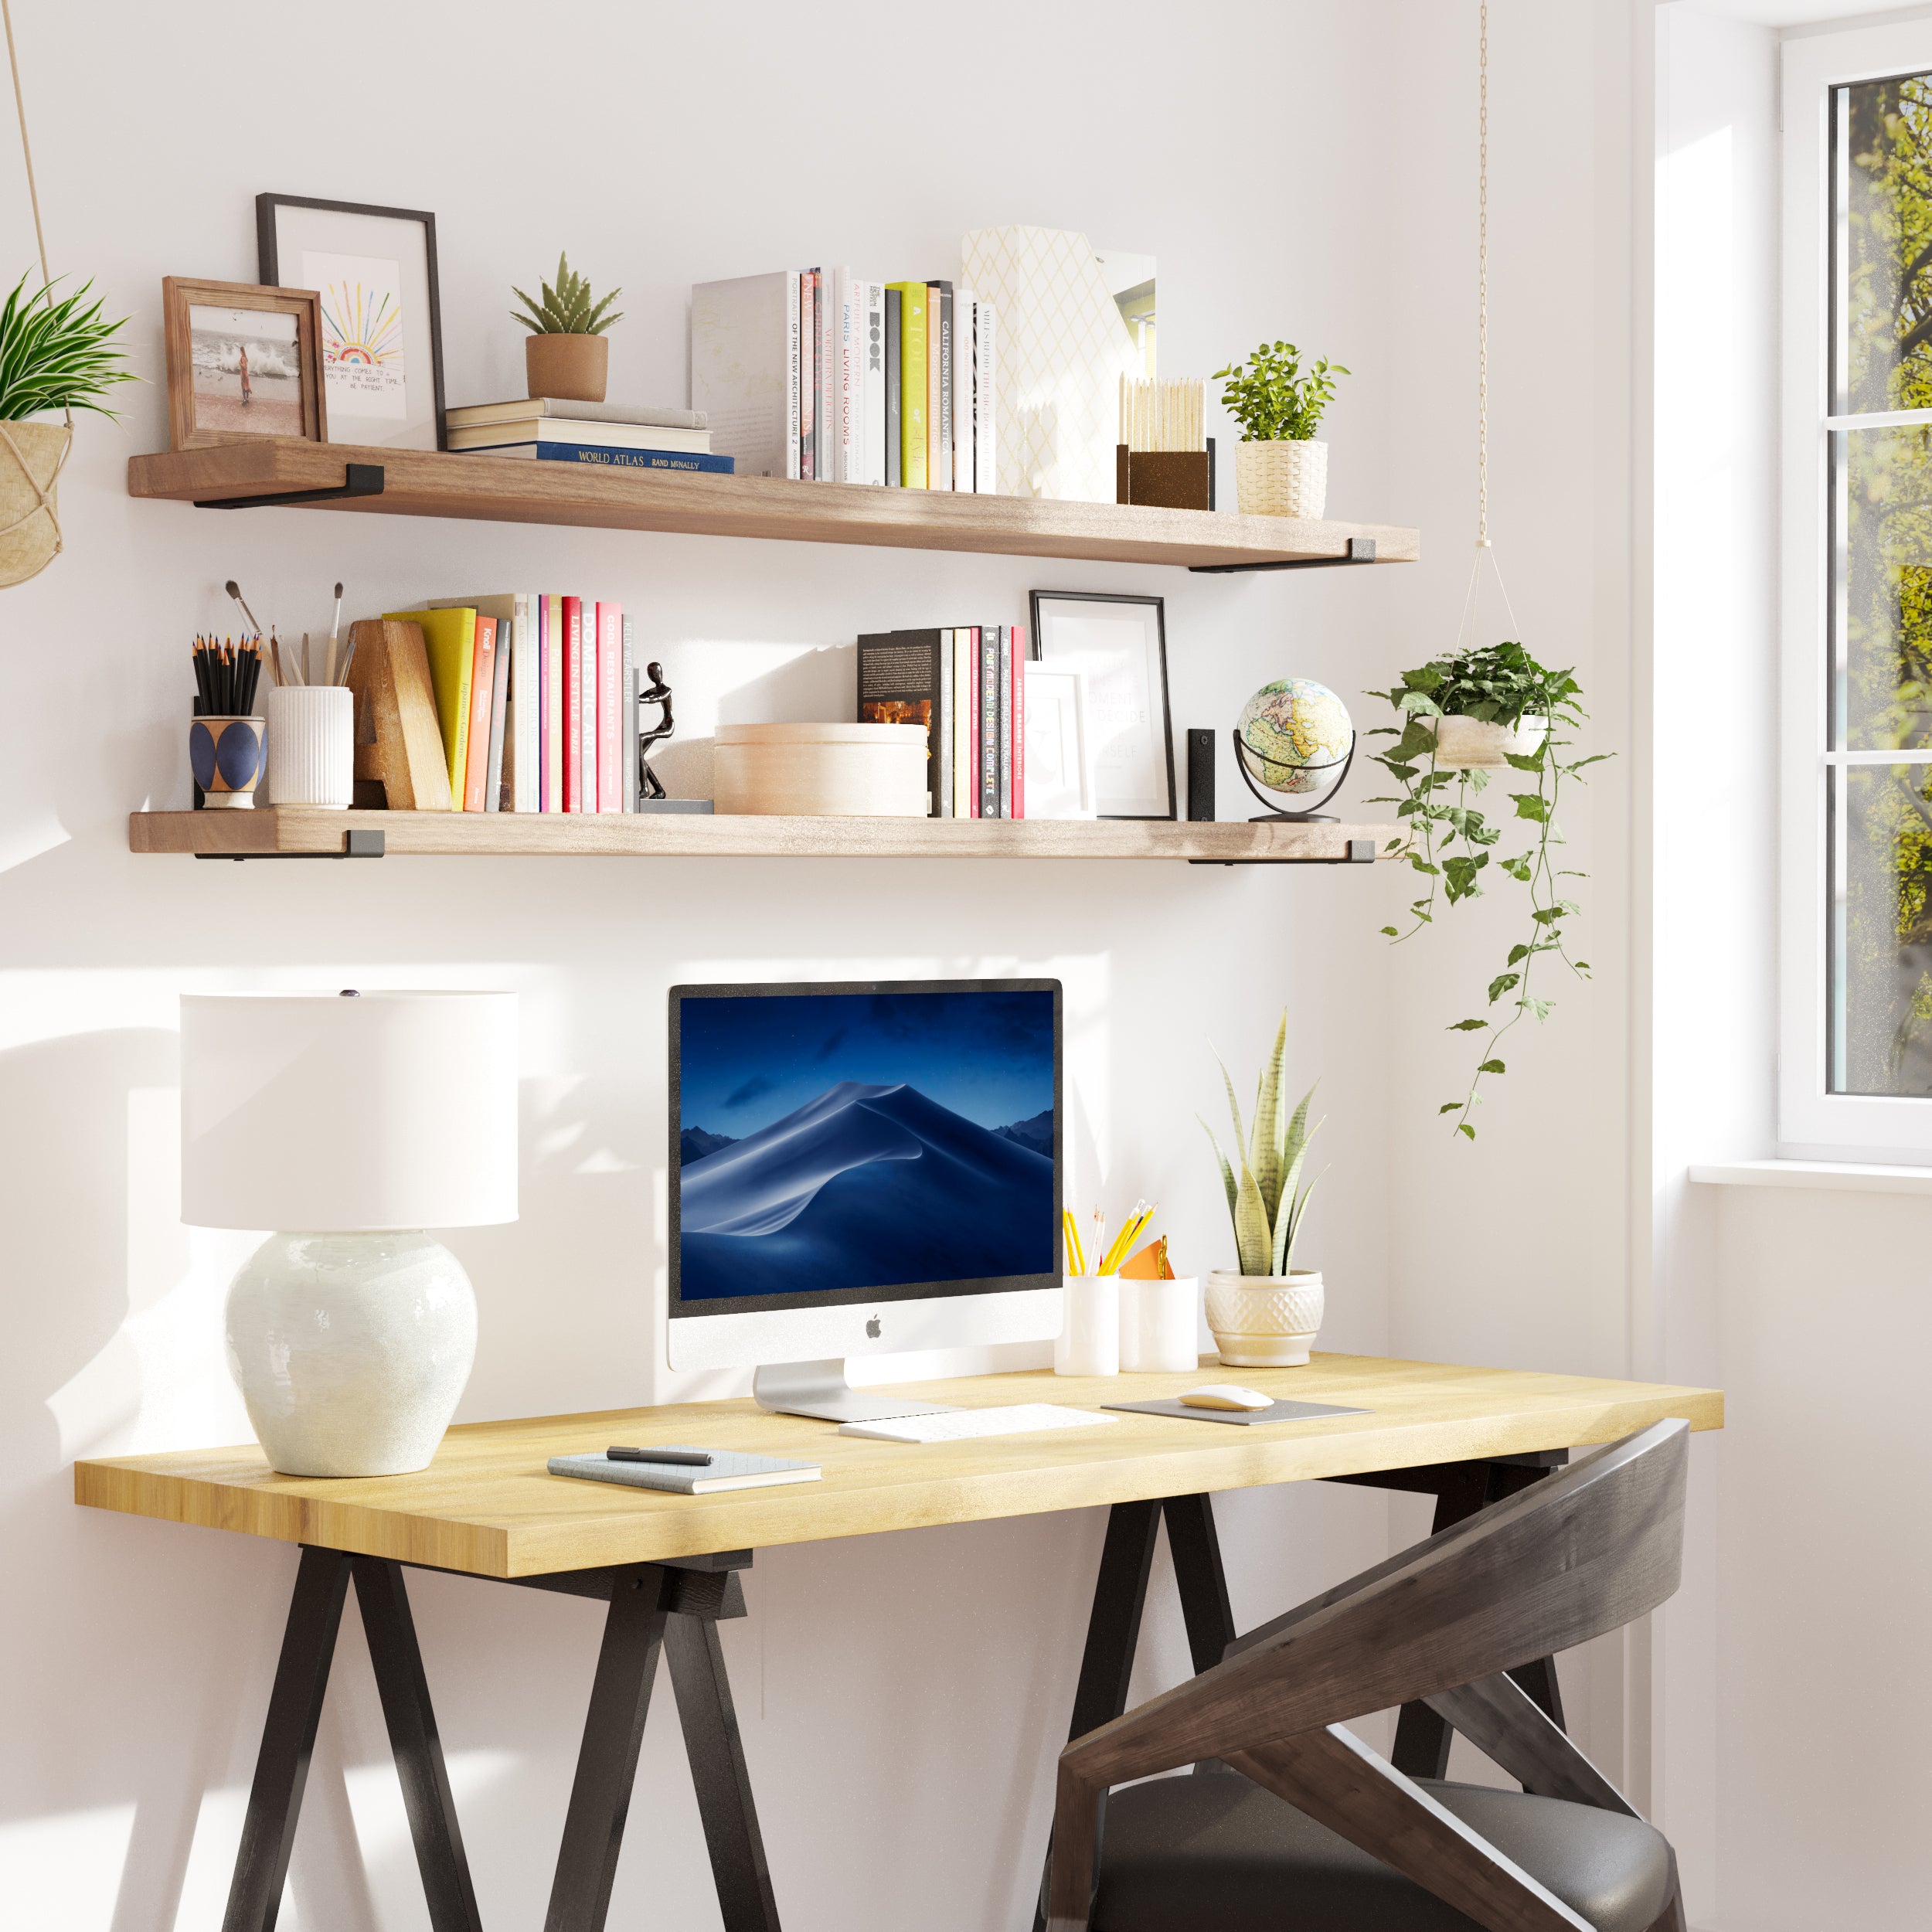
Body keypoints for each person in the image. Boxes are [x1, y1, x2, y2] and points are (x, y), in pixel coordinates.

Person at [238, 343, 251, 408]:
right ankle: (247, 399)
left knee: (243, 387)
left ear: (241, 351)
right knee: (247, 386)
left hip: (244, 374)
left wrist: (240, 363)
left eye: (240, 351)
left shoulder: (243, 358)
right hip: (246, 374)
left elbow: (244, 366)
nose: (239, 352)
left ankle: (244, 399)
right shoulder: (245, 358)